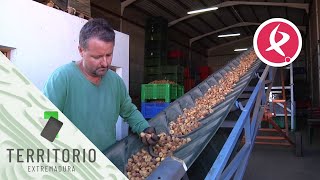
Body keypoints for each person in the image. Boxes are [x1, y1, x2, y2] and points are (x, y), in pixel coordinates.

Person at [43, 18, 158, 151]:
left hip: (108, 159)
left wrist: (144, 128)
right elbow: (48, 125)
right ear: (81, 50)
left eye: (109, 55)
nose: (105, 63)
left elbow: (129, 111)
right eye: (97, 57)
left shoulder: (115, 82)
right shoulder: (62, 78)